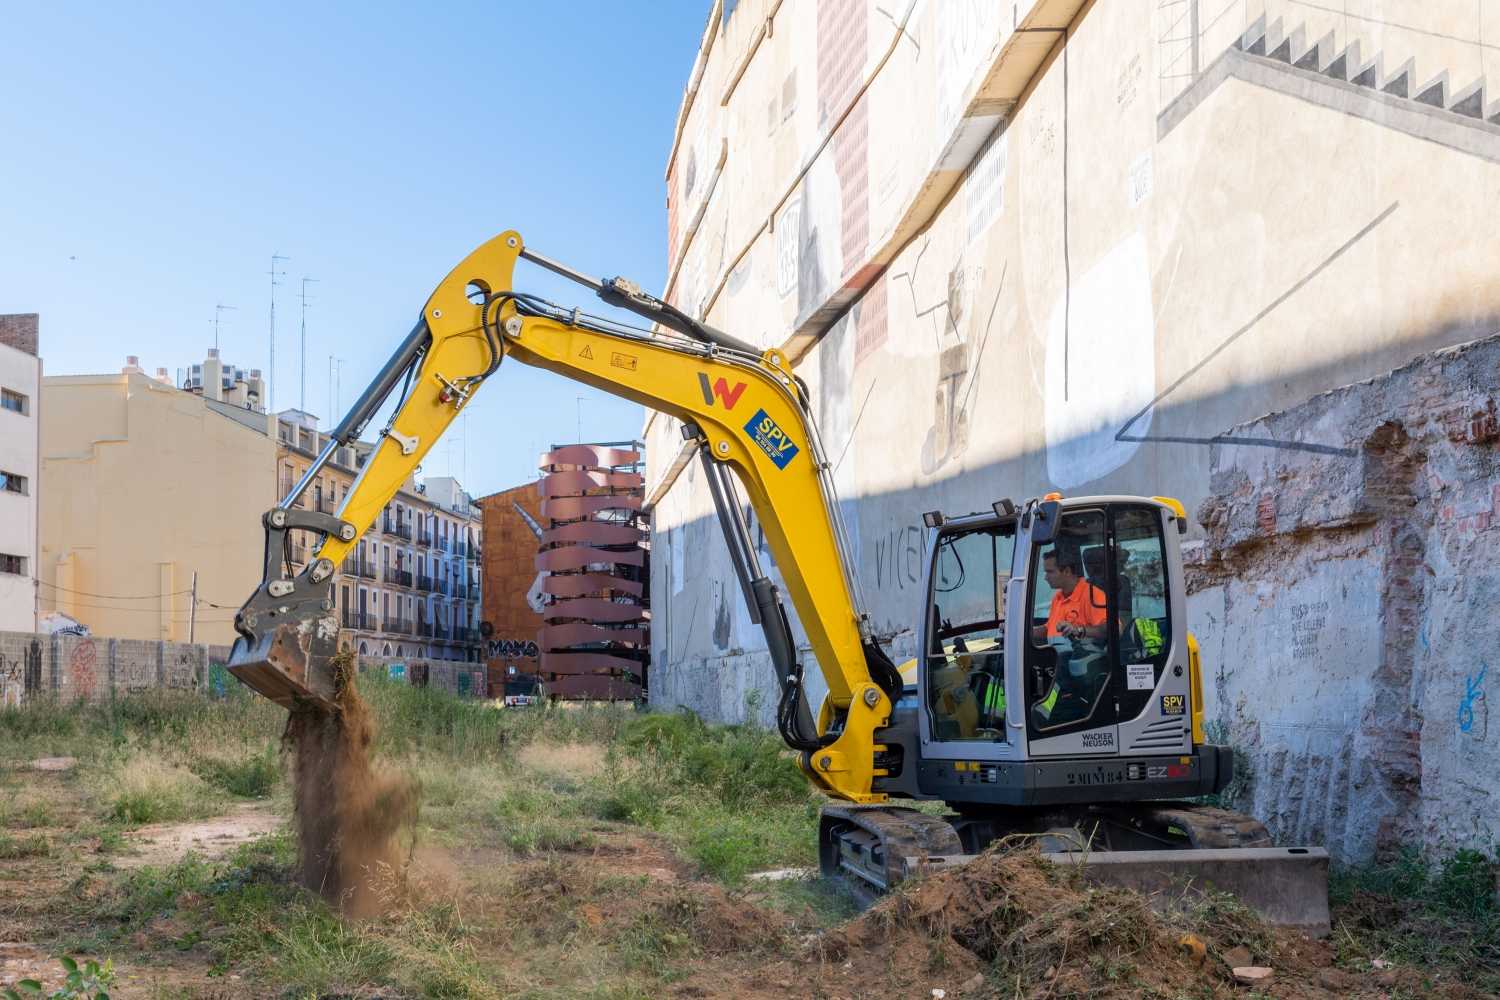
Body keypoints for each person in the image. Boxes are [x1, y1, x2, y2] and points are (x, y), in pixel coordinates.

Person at [1031, 547, 1108, 644]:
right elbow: (1050, 628)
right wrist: (1024, 632)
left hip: (1083, 657)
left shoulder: (1092, 594)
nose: (1046, 578)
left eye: (1050, 572)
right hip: (1057, 655)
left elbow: (1113, 628)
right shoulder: (1057, 598)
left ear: (1067, 571)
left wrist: (1079, 630)